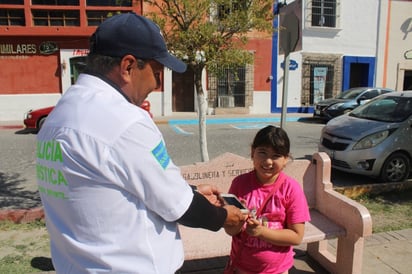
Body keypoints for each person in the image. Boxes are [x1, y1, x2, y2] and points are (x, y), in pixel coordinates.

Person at [36, 12, 245, 274]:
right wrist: (225, 217)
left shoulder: (59, 116)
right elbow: (178, 205)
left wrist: (187, 189)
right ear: (128, 66)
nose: (157, 84)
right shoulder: (125, 121)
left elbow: (119, 180)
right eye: (157, 72)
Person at [224, 125, 311, 274]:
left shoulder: (291, 188)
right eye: (262, 153)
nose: (268, 161)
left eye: (276, 155)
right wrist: (238, 220)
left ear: (286, 159)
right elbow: (230, 231)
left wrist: (261, 232)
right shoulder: (239, 184)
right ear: (252, 153)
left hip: (278, 269)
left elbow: (296, 236)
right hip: (242, 266)